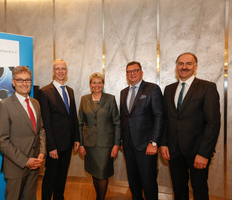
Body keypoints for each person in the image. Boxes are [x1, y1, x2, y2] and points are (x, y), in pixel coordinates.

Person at [160, 52, 221, 200]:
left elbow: (213, 122)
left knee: (199, 191)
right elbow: (166, 119)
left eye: (188, 64)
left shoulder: (207, 87)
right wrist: (163, 143)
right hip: (174, 151)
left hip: (197, 152)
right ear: (176, 67)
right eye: (180, 64)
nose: (184, 67)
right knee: (179, 191)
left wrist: (204, 153)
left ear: (195, 67)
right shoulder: (169, 89)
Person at [0, 66, 46, 200]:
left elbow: (41, 130)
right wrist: (25, 161)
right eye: (20, 80)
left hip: (35, 165)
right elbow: (1, 141)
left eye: (27, 80)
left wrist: (42, 152)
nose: (24, 83)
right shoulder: (4, 105)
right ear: (13, 82)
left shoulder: (36, 103)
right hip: (16, 167)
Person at [120, 61, 164, 200]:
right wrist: (121, 139)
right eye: (129, 71)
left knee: (148, 181)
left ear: (141, 72)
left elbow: (159, 116)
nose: (132, 73)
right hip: (128, 145)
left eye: (135, 70)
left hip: (146, 145)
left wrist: (154, 142)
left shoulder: (152, 89)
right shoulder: (123, 92)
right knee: (133, 181)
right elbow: (123, 118)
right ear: (126, 74)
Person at [39, 59, 80, 200]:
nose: (60, 71)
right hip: (54, 145)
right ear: (53, 71)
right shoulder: (44, 92)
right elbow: (46, 122)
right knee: (51, 175)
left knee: (62, 175)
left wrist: (76, 138)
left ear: (66, 71)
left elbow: (73, 116)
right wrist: (51, 146)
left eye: (63, 68)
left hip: (68, 143)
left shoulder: (70, 91)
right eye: (57, 69)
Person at [78, 72, 121, 200]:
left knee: (102, 174)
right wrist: (80, 144)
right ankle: (98, 197)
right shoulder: (84, 99)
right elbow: (79, 123)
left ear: (103, 84)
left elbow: (117, 123)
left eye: (99, 82)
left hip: (106, 145)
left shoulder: (110, 99)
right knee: (94, 173)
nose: (97, 85)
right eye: (94, 82)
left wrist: (116, 144)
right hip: (89, 144)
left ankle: (100, 198)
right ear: (90, 85)